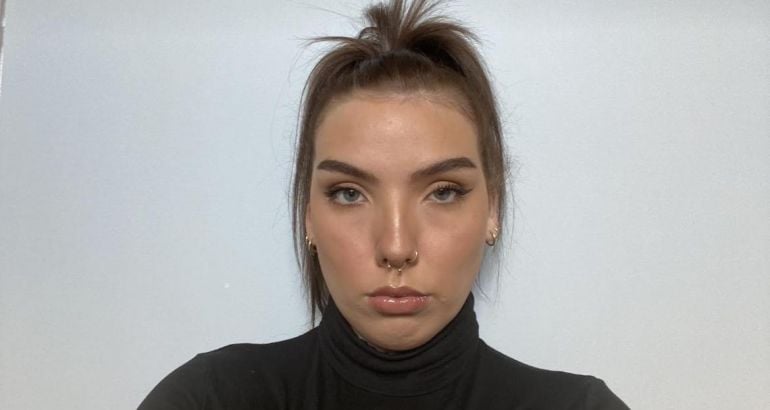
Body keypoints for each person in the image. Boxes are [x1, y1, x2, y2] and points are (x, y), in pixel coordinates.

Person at [138, 0, 628, 408]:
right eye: (349, 193)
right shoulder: (211, 400)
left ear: (493, 210)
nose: (396, 247)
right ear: (309, 215)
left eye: (443, 191)